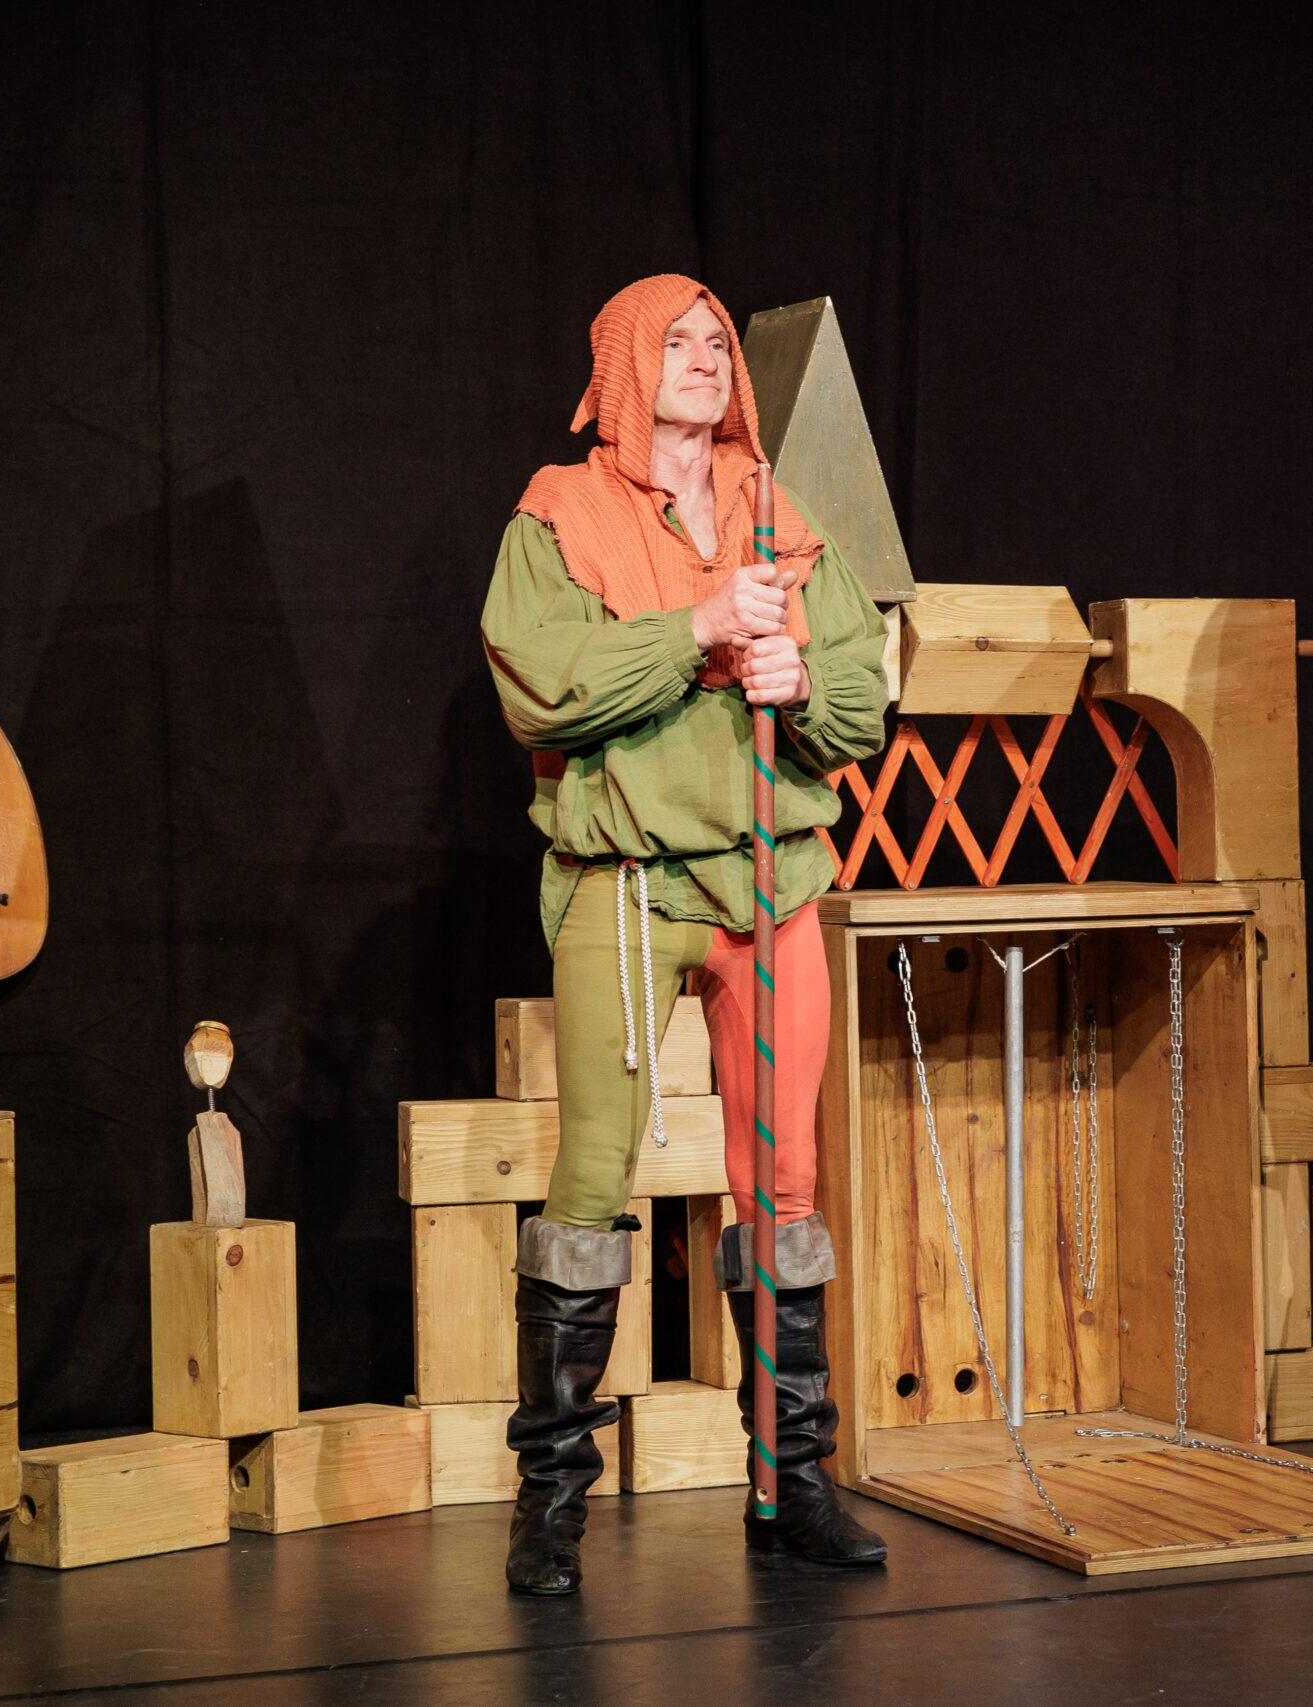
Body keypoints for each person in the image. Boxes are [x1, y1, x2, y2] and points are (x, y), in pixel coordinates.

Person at [481, 273, 891, 1593]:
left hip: (773, 884)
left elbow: (859, 696)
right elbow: (543, 686)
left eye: (720, 341)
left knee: (787, 1184)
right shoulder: (562, 513)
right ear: (623, 364)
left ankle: (792, 1479)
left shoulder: (778, 511)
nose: (710, 357)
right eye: (681, 341)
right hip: (628, 882)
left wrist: (800, 679)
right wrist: (701, 628)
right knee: (593, 1176)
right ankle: (552, 1500)